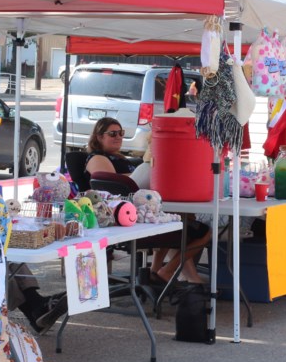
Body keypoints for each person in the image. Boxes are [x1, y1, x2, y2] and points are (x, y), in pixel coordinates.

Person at [84, 117, 210, 284]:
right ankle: (171, 272)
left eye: (121, 133)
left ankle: (158, 271)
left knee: (182, 218)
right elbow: (111, 183)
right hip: (129, 219)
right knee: (198, 228)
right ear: (99, 137)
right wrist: (147, 170)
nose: (118, 137)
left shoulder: (120, 158)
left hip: (141, 214)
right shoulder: (97, 158)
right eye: (112, 133)